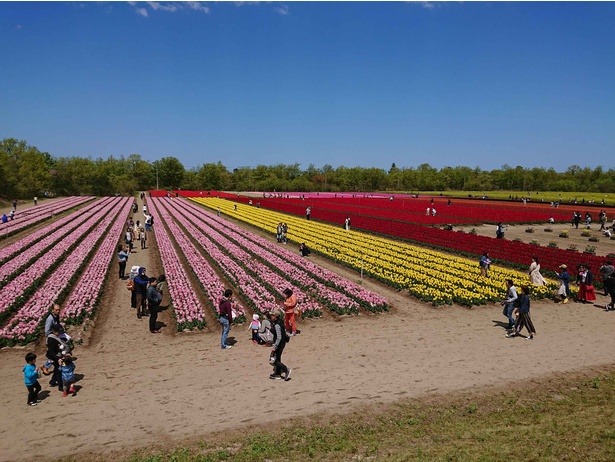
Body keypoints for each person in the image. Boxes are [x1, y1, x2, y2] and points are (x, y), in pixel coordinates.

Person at [46, 326, 70, 392]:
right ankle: (61, 386)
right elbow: (51, 351)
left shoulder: (55, 337)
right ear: (54, 332)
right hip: (53, 357)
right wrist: (58, 358)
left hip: (56, 356)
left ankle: (52, 381)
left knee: (57, 369)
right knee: (59, 371)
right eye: (57, 332)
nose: (59, 333)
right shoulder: (51, 339)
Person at [269, 309, 291, 381]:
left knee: (273, 360)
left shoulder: (277, 324)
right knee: (278, 358)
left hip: (279, 344)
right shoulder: (281, 321)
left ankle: (286, 369)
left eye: (272, 315)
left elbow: (279, 337)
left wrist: (275, 346)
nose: (271, 316)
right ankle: (277, 374)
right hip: (282, 342)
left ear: (275, 316)